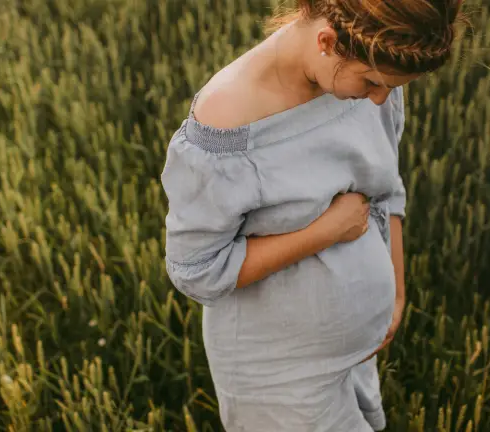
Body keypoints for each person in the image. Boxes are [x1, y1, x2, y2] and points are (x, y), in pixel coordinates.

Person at [160, 0, 467, 430]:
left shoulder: (366, 71)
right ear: (328, 41)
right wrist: (326, 231)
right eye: (374, 83)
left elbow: (385, 188)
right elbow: (196, 270)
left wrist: (395, 293)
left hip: (358, 358)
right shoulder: (228, 121)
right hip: (280, 378)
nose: (381, 98)